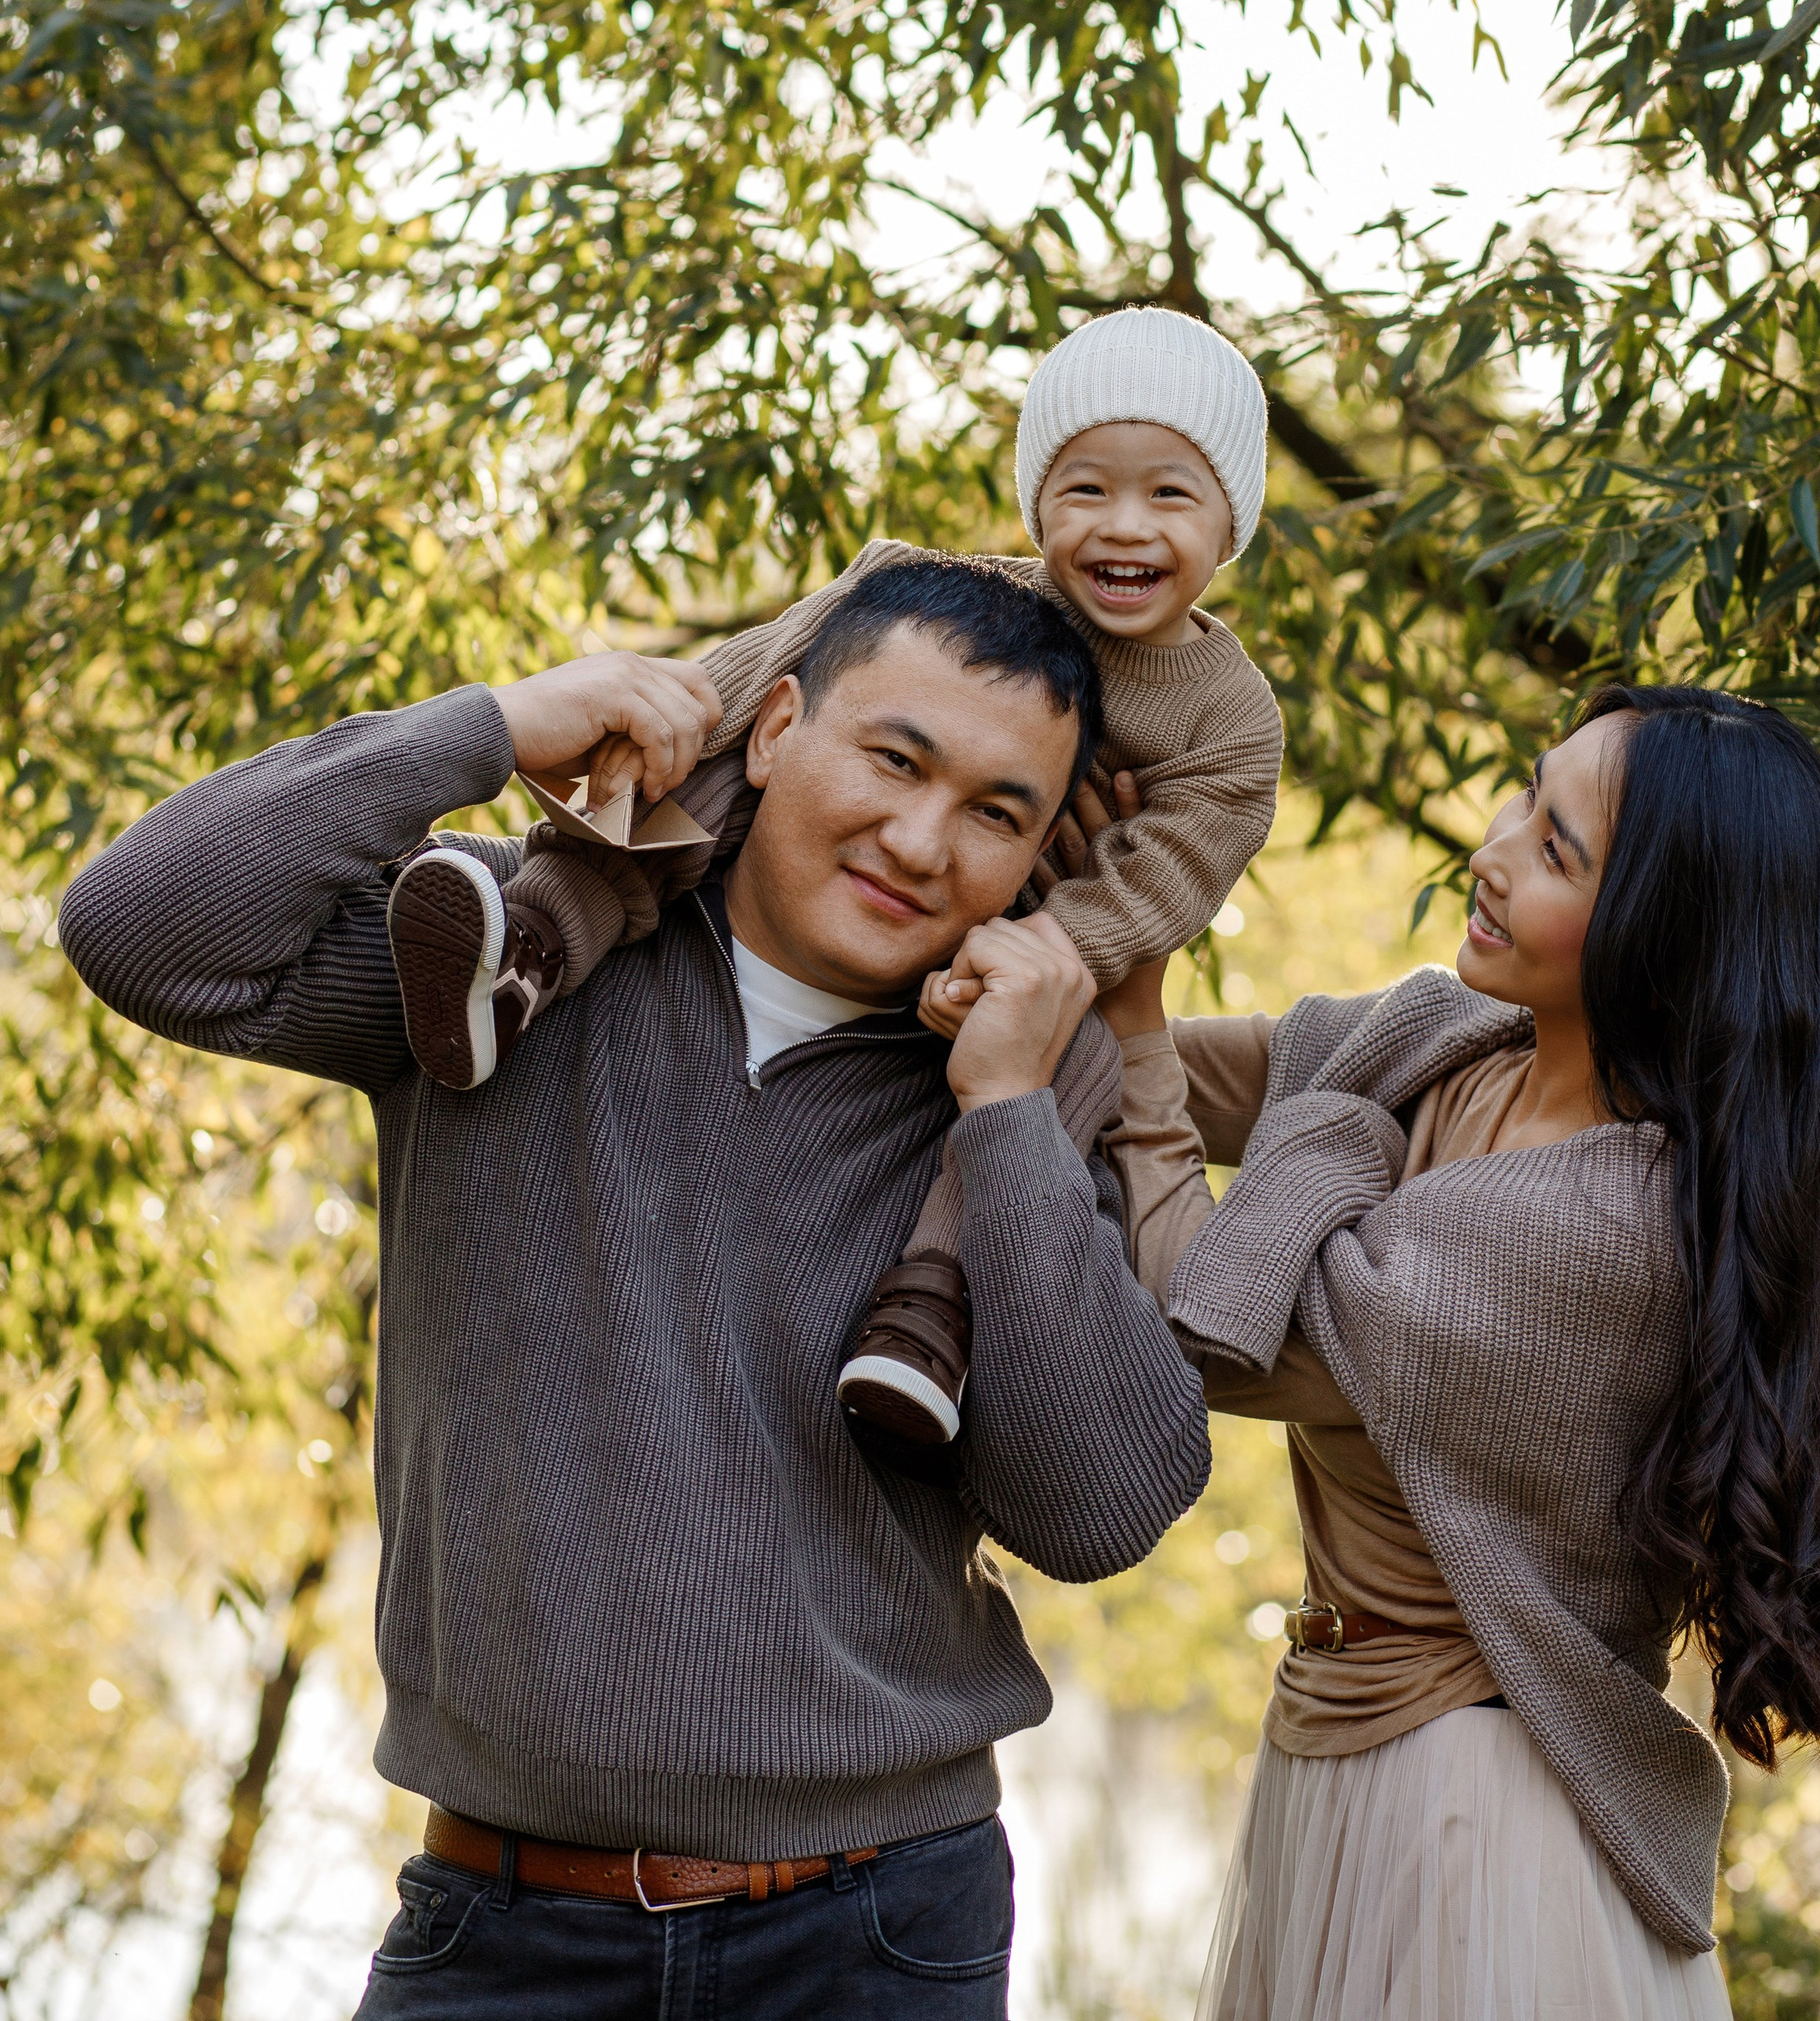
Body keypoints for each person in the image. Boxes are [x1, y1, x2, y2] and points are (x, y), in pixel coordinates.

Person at [57, 560, 1211, 2021]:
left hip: (875, 1935)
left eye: (997, 813)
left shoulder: (1029, 1089)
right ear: (776, 726)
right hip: (502, 1930)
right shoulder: (499, 963)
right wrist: (494, 725)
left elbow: (1099, 1513)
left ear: (1042, 856)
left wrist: (1008, 1114)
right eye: (894, 760)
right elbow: (142, 930)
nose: (922, 843)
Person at [1085, 681, 1820, 2021]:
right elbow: (1163, 1077)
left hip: (1471, 1822)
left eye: (1558, 851)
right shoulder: (1466, 1047)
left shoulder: (1596, 1231)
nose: (1495, 851)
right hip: (1349, 1758)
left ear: (1664, 935)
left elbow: (1196, 1320)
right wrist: (1091, 911)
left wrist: (1260, 1097)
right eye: (1525, 794)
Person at [387, 304, 1284, 1448]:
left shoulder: (1229, 720)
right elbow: (771, 671)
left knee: (1060, 1065)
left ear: (1231, 519)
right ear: (1037, 503)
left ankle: (932, 1305)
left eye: (1170, 495)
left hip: (1037, 942)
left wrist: (1051, 953)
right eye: (1085, 489)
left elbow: (1179, 869)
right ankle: (529, 949)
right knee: (713, 793)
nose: (1124, 526)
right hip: (871, 891)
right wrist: (657, 730)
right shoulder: (943, 597)